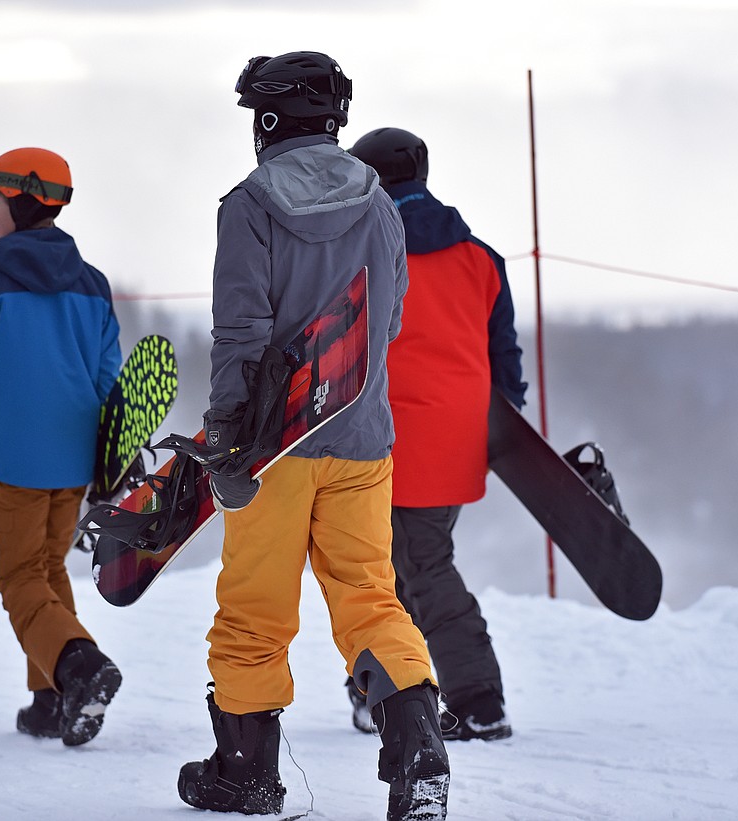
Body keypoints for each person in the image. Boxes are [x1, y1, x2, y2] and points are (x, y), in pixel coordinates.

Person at [176, 53, 450, 821]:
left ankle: (246, 771)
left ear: (268, 121)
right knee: (369, 596)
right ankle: (419, 752)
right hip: (363, 435)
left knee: (255, 608)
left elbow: (241, 333)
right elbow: (386, 325)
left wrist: (229, 435)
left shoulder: (249, 204)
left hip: (274, 446)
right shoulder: (381, 206)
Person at [0, 147, 123, 746]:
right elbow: (109, 374)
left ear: (20, 200)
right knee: (46, 570)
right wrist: (112, 451)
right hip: (76, 459)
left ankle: (80, 668)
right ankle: (50, 701)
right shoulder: (92, 284)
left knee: (17, 579)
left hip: (17, 459)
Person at [344, 127, 527, 742]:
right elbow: (505, 362)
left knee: (409, 568)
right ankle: (384, 690)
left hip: (378, 435)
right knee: (399, 565)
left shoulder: (361, 253)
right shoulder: (481, 257)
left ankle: (477, 699)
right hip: (456, 440)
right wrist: (504, 436)